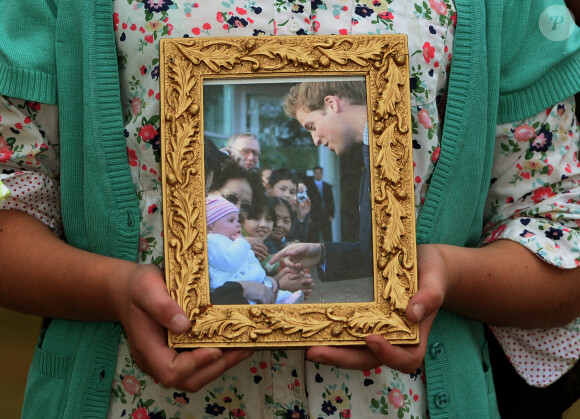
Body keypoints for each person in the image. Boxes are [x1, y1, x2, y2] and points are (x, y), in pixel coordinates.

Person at [1, 2, 580, 418]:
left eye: (309, 129)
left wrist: (441, 275)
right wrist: (112, 287)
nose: (315, 142)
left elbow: (560, 233)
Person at [206, 195, 303, 304]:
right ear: (210, 228)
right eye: (231, 220)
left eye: (237, 220)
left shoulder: (235, 240)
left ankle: (285, 299)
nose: (238, 224)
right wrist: (242, 242)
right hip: (233, 290)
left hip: (251, 283)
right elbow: (229, 260)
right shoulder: (214, 241)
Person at [267, 168, 311, 243]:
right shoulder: (263, 210)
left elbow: (298, 241)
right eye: (282, 189)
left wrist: (300, 218)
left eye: (292, 192)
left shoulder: (292, 214)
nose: (287, 195)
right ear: (269, 188)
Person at [306, 166, 335, 242]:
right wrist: (308, 215)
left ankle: (328, 251)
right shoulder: (309, 186)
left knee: (327, 235)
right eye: (316, 173)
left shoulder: (327, 186)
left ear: (322, 174)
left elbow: (331, 201)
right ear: (314, 174)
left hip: (325, 214)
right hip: (314, 214)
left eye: (320, 173)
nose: (318, 175)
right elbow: (307, 201)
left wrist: (331, 214)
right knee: (314, 235)